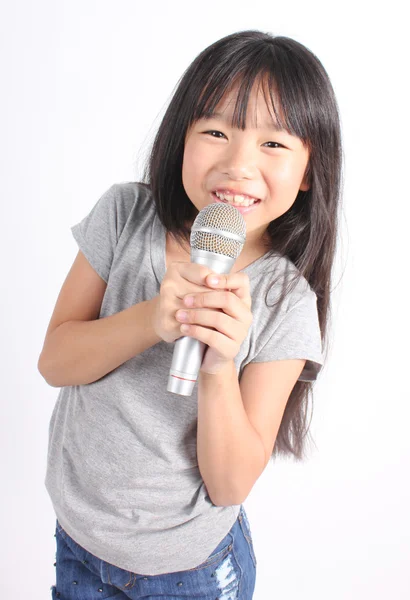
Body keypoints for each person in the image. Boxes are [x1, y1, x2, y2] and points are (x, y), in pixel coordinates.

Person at [38, 29, 342, 600]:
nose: (237, 163)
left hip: (188, 573)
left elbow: (229, 484)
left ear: (308, 170)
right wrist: (154, 317)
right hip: (78, 540)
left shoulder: (286, 302)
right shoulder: (126, 214)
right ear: (182, 139)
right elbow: (55, 361)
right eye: (216, 132)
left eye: (273, 144)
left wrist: (218, 363)